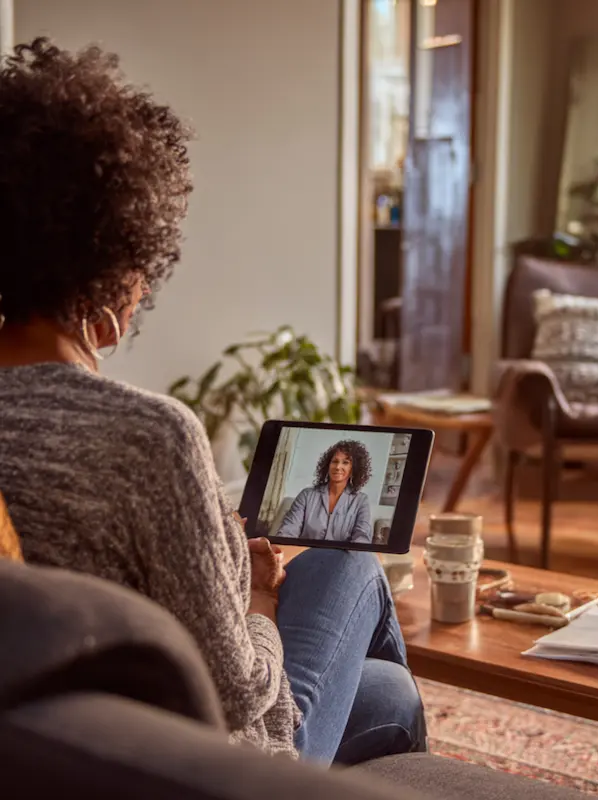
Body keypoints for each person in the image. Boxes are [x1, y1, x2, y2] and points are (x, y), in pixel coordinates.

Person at [0, 38, 425, 766]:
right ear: (128, 267)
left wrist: (214, 542)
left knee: (385, 692)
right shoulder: (147, 437)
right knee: (352, 569)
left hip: (65, 742)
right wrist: (256, 600)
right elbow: (235, 692)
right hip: (202, 764)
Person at [276, 441, 373, 543]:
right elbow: (288, 531)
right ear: (328, 465)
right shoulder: (306, 495)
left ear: (354, 469)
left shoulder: (361, 501)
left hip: (341, 557)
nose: (338, 467)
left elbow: (362, 538)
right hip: (305, 555)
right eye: (334, 461)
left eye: (345, 462)